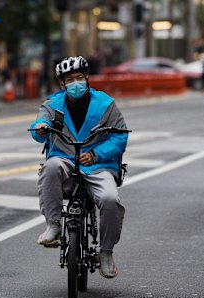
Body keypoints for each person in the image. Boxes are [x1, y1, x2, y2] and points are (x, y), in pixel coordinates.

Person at [29, 56, 129, 279]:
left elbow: (120, 137)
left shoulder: (106, 104)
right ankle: (53, 225)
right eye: (69, 80)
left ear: (87, 78)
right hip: (64, 160)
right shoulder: (52, 105)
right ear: (62, 84)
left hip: (98, 166)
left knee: (111, 200)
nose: (75, 83)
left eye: (78, 78)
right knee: (50, 167)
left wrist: (95, 155)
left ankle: (106, 253)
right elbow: (37, 128)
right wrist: (41, 129)